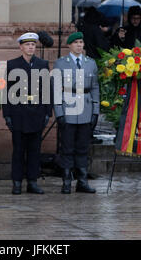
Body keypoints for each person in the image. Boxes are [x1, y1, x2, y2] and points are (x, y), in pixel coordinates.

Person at [2, 32, 52, 195]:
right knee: (18, 150)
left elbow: (47, 89)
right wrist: (7, 115)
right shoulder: (11, 65)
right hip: (18, 113)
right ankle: (16, 182)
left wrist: (47, 112)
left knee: (34, 150)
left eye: (33, 45)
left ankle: (32, 181)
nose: (31, 47)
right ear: (21, 47)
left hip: (36, 112)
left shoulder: (42, 64)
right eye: (27, 45)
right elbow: (6, 92)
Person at [53, 32, 100, 194]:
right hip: (68, 107)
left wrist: (95, 111)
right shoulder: (61, 63)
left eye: (81, 42)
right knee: (67, 147)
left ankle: (82, 180)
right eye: (76, 42)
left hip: (86, 108)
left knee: (82, 147)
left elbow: (94, 88)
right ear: (69, 45)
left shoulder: (90, 63)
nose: (79, 45)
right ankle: (66, 181)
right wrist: (59, 112)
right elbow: (56, 89)